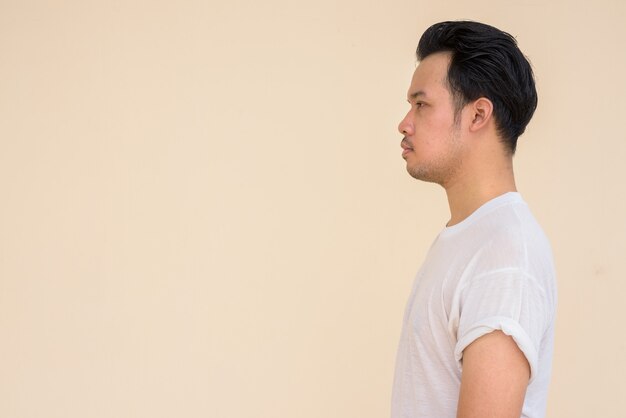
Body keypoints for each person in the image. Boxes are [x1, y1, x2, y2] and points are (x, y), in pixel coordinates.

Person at [391, 21, 557, 418]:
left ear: (478, 114)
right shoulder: (473, 238)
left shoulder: (504, 255)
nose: (404, 123)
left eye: (421, 103)